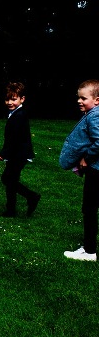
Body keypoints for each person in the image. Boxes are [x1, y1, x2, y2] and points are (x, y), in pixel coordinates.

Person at [59, 78, 99, 262]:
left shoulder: (95, 115)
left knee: (89, 208)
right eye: (78, 98)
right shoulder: (93, 114)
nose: (79, 101)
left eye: (83, 98)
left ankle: (89, 251)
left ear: (97, 100)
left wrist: (86, 158)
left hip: (95, 170)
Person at [0, 81, 39, 220]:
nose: (9, 102)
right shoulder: (14, 114)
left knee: (8, 179)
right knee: (10, 180)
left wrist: (3, 153)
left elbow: (14, 138)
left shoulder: (19, 115)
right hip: (16, 153)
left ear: (22, 99)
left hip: (19, 154)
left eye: (13, 99)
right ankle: (11, 210)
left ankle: (32, 196)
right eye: (7, 99)